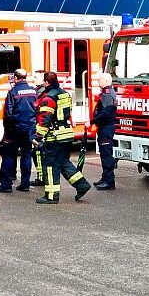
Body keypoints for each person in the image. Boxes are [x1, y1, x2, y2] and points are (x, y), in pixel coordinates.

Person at [33, 71, 91, 204]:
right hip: (67, 134)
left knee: (51, 166)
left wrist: (37, 136)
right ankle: (82, 185)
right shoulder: (65, 94)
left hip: (55, 137)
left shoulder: (48, 98)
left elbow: (45, 120)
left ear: (47, 83)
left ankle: (51, 196)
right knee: (63, 162)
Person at [0, 68, 38, 193]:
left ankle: (6, 185)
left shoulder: (13, 92)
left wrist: (7, 131)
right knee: (26, 156)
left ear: (16, 78)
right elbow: (37, 110)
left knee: (8, 155)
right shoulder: (34, 91)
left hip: (15, 128)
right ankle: (25, 184)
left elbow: (8, 113)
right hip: (29, 128)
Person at [93, 71, 118, 190]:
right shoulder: (107, 93)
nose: (98, 82)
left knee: (106, 154)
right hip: (106, 127)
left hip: (106, 128)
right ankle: (105, 178)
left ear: (106, 81)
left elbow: (105, 113)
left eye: (100, 80)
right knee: (104, 153)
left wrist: (93, 120)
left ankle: (109, 181)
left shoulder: (107, 94)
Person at [30, 70, 46, 187]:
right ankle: (41, 176)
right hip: (39, 126)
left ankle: (41, 177)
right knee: (37, 153)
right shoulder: (38, 91)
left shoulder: (42, 93)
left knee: (38, 153)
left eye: (36, 77)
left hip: (41, 128)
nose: (33, 79)